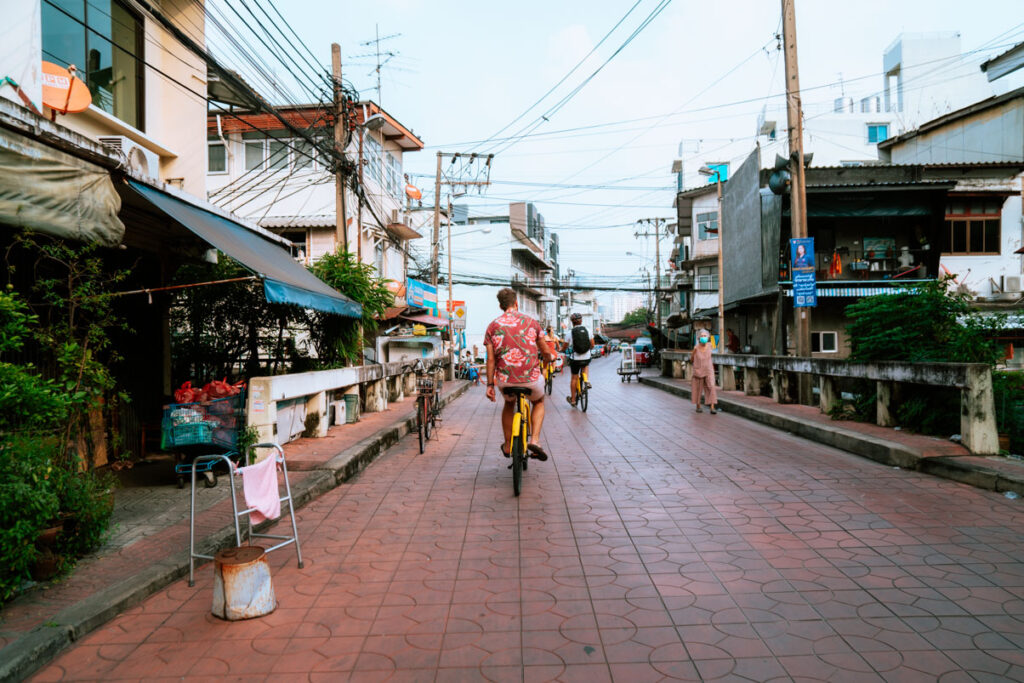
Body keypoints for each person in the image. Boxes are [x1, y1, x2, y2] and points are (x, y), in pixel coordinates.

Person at [484, 288, 555, 461]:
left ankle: (508, 445)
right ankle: (535, 441)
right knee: (538, 401)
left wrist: (490, 385)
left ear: (501, 306)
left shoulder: (493, 326)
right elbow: (545, 350)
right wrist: (550, 357)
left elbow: (491, 360)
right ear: (517, 303)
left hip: (505, 381)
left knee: (509, 403)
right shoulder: (532, 323)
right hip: (530, 379)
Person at [565, 312, 594, 406]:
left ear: (572, 322)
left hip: (575, 359)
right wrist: (587, 350)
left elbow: (565, 347)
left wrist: (561, 350)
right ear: (581, 321)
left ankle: (573, 400)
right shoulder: (588, 330)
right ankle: (587, 381)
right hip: (586, 357)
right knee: (585, 364)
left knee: (574, 378)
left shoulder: (569, 332)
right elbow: (592, 345)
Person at [691, 328, 718, 414]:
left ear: (708, 337)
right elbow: (691, 360)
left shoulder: (710, 346)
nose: (703, 337)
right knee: (698, 389)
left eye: (705, 336)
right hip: (698, 370)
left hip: (708, 370)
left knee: (711, 387)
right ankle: (698, 406)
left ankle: (712, 407)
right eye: (702, 336)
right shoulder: (696, 348)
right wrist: (693, 352)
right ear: (699, 337)